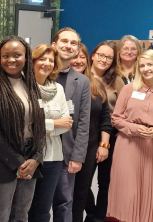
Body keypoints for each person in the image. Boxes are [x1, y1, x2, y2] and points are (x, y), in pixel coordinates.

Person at [0, 35, 46, 222]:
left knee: (21, 216)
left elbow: (40, 125)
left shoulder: (32, 86)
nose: (11, 60)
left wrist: (36, 158)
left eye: (17, 55)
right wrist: (18, 162)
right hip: (2, 162)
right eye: (5, 56)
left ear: (26, 57)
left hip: (30, 158)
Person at [107, 50, 153, 222]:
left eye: (150, 64)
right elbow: (116, 118)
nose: (146, 69)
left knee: (151, 191)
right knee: (129, 191)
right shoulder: (128, 89)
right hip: (129, 146)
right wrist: (134, 129)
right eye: (142, 65)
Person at [27, 44, 73, 221]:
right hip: (28, 155)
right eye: (42, 59)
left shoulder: (58, 89)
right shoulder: (23, 87)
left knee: (43, 209)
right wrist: (54, 124)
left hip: (53, 157)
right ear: (32, 62)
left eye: (51, 60)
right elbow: (24, 125)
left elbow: (66, 124)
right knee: (24, 206)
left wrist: (42, 126)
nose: (46, 63)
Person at [50, 27, 91, 222]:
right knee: (34, 203)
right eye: (64, 41)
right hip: (38, 151)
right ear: (54, 44)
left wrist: (78, 157)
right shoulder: (37, 73)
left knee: (64, 202)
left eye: (73, 43)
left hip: (67, 154)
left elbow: (83, 122)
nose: (68, 46)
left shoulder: (82, 81)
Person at [73, 41, 116, 222]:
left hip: (96, 143)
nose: (78, 60)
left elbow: (106, 119)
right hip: (69, 144)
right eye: (75, 56)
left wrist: (103, 144)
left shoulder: (98, 86)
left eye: (81, 57)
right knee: (75, 189)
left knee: (90, 187)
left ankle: (94, 217)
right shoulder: (60, 82)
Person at [83, 41, 125, 222]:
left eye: (109, 57)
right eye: (101, 55)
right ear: (93, 55)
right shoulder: (82, 76)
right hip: (88, 135)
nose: (104, 60)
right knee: (82, 183)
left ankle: (99, 217)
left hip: (112, 136)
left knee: (105, 182)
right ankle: (91, 211)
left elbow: (125, 108)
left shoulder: (116, 81)